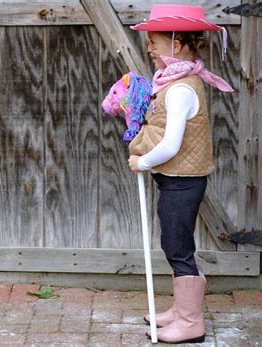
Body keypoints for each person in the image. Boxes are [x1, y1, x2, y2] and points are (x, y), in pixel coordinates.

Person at [127, 4, 234, 344]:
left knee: (177, 248)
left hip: (182, 182)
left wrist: (141, 162)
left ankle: (191, 323)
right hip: (176, 181)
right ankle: (181, 310)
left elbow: (171, 145)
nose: (150, 48)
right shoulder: (174, 83)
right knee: (177, 243)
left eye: (154, 41)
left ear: (175, 44)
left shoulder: (182, 89)